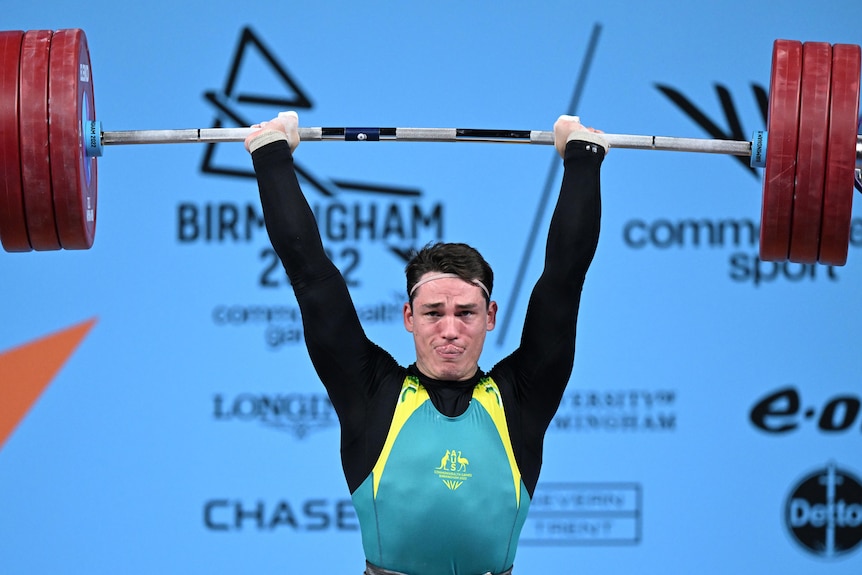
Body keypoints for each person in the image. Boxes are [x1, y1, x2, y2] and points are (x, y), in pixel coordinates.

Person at [245, 111, 607, 575]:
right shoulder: (370, 395)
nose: (451, 330)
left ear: (490, 316)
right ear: (409, 317)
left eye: (467, 313)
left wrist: (583, 157)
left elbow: (564, 279)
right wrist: (271, 155)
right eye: (434, 313)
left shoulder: (523, 398)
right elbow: (311, 275)